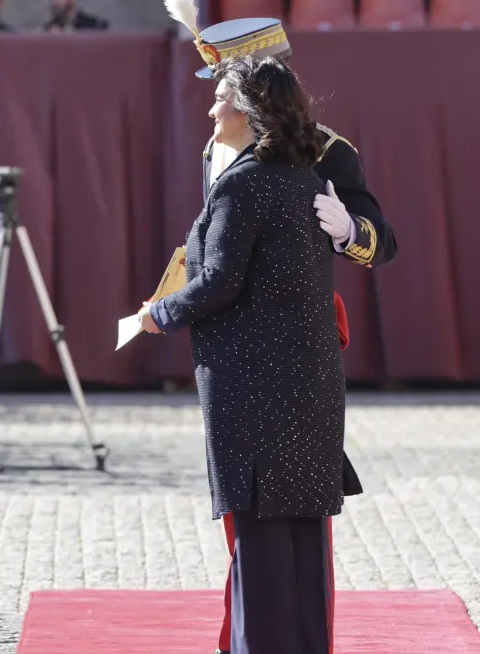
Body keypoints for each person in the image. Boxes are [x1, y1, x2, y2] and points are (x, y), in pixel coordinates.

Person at [162, 0, 397, 653]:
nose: (216, 96)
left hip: (291, 349)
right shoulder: (219, 146)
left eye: (225, 82)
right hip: (237, 347)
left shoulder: (326, 148)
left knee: (290, 522)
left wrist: (349, 230)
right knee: (249, 526)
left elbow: (383, 240)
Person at [140, 55, 344, 654]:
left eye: (222, 98)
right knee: (301, 536)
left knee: (259, 541)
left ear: (251, 111)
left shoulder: (244, 182)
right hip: (308, 382)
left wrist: (158, 314)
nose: (211, 110)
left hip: (254, 384)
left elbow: (219, 281)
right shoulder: (304, 177)